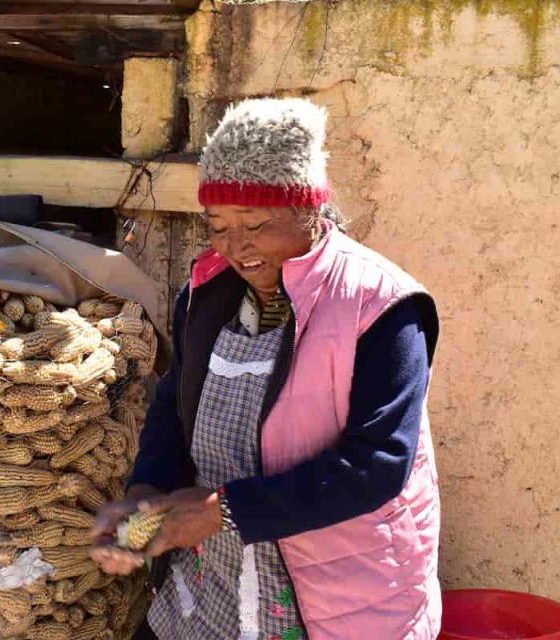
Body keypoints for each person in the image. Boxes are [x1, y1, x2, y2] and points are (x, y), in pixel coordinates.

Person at [90, 98, 442, 640]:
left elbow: (378, 463)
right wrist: (147, 489)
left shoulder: (381, 307)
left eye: (255, 224)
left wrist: (221, 511)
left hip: (335, 597)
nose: (237, 249)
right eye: (218, 226)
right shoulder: (205, 298)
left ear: (309, 210)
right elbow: (173, 405)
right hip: (218, 581)